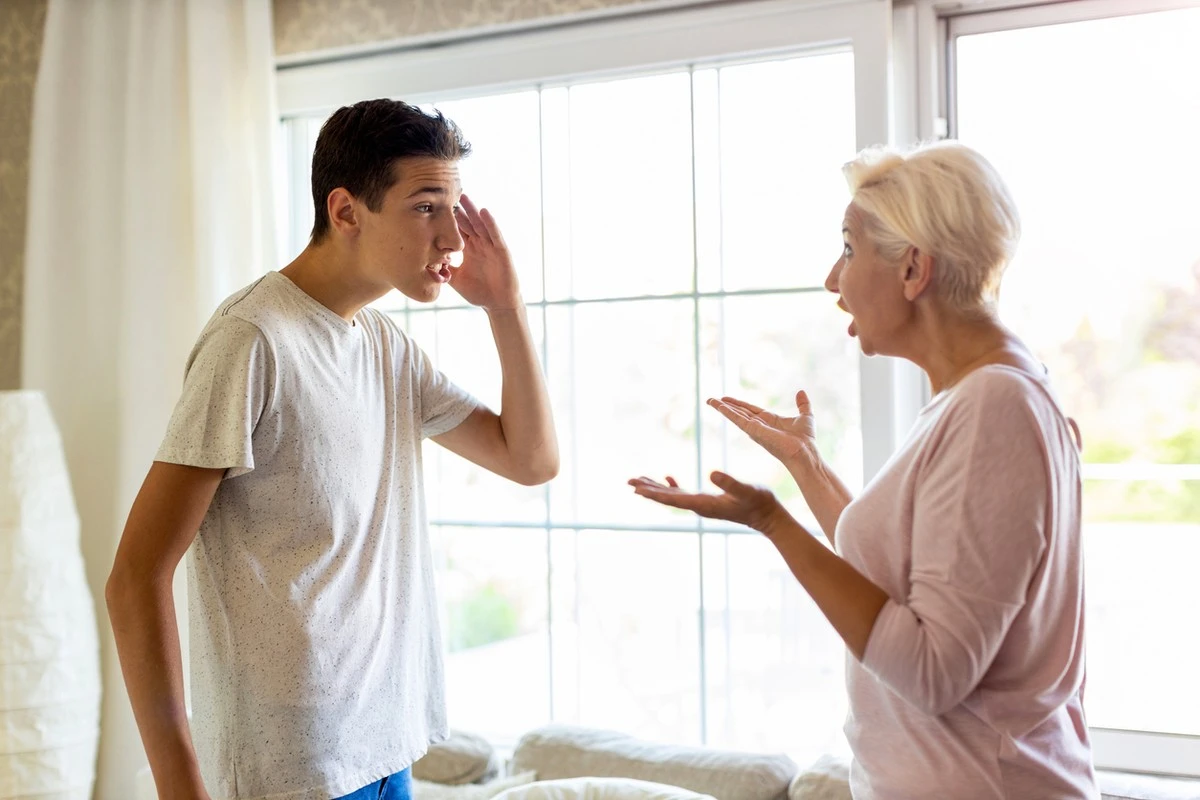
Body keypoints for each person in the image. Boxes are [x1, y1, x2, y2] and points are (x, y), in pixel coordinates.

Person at [106, 98, 558, 800]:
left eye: (456, 208)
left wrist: (506, 307)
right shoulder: (251, 341)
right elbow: (135, 577)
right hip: (292, 772)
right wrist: (179, 786)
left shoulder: (386, 348)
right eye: (426, 207)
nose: (452, 238)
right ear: (346, 210)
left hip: (385, 750)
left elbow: (530, 461)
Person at [630, 141, 1098, 798]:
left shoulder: (996, 406)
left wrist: (772, 522)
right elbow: (897, 584)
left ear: (913, 270)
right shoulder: (979, 398)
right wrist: (807, 465)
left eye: (847, 249)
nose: (832, 279)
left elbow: (933, 671)